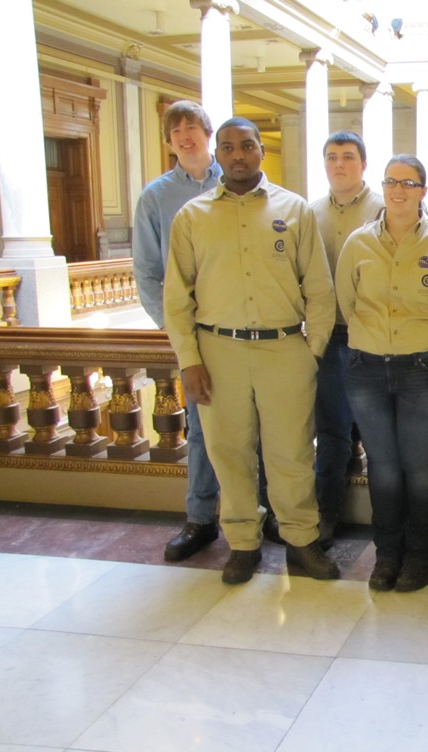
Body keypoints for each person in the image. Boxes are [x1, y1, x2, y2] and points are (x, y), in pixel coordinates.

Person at [163, 117, 339, 585]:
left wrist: (312, 352)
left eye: (246, 146)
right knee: (229, 452)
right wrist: (190, 360)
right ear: (216, 155)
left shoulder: (294, 209)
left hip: (284, 349)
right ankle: (243, 544)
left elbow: (320, 289)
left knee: (293, 454)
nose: (237, 154)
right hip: (217, 350)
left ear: (261, 150)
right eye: (227, 147)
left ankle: (302, 542)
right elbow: (176, 299)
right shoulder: (193, 217)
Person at [336, 155, 428, 593]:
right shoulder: (357, 245)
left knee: (422, 467)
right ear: (383, 186)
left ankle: (421, 556)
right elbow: (346, 303)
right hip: (368, 369)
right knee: (384, 467)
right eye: (392, 182)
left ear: (422, 190)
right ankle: (387, 554)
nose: (399, 190)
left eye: (409, 183)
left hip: (424, 370)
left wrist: (425, 344)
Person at [133, 100, 227, 563]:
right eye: (177, 131)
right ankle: (200, 518)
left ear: (208, 134)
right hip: (194, 335)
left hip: (247, 328)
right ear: (168, 140)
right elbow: (149, 274)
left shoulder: (236, 179)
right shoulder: (156, 197)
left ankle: (264, 512)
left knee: (262, 427)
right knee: (201, 428)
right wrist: (178, 334)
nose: (186, 136)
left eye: (194, 127)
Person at [308, 131, 383, 548]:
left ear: (363, 164)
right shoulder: (309, 213)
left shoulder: (384, 208)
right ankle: (326, 513)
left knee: (377, 433)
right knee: (332, 429)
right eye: (332, 157)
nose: (339, 164)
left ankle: (385, 520)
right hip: (328, 335)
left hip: (371, 337)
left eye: (348, 156)